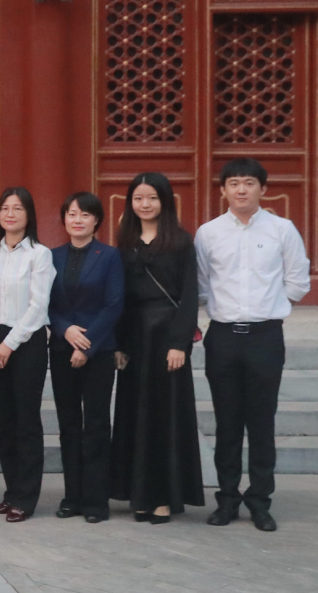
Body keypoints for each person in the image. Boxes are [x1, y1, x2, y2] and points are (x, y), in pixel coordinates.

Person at [197, 158, 310, 533]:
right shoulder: (208, 233)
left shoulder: (282, 229)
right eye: (233, 183)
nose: (241, 189)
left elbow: (298, 279)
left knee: (262, 423)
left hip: (265, 337)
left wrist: (272, 307)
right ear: (223, 190)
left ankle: (260, 501)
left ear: (263, 188)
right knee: (227, 424)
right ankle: (227, 500)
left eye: (248, 182)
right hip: (223, 337)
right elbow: (200, 283)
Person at [111, 172, 205, 524]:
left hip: (167, 335)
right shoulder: (125, 241)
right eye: (138, 198)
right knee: (135, 415)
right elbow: (119, 297)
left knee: (166, 417)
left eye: (152, 197)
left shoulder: (180, 241)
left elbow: (190, 295)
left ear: (164, 201)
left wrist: (180, 343)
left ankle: (163, 497)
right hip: (135, 336)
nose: (145, 204)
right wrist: (119, 343)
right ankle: (139, 494)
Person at [47, 192, 124, 523]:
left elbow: (114, 304)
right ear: (64, 219)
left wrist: (86, 345)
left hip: (99, 352)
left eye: (85, 215)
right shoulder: (51, 257)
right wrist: (65, 330)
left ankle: (96, 501)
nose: (77, 220)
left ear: (96, 221)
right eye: (72, 214)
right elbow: (46, 303)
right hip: (61, 350)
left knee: (96, 425)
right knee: (68, 426)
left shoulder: (110, 256)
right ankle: (72, 497)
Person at [0, 187, 55, 523]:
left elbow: (38, 306)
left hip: (26, 342)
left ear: (29, 214)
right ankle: (11, 491)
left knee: (26, 420)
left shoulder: (39, 254)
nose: (10, 214)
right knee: (5, 421)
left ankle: (26, 497)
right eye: (4, 208)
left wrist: (9, 344)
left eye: (17, 208)